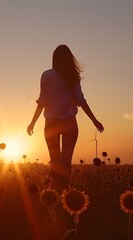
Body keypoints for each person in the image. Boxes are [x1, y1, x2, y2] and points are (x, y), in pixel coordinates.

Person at [27, 45, 104, 191]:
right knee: (66, 162)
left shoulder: (47, 75)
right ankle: (65, 192)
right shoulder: (72, 76)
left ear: (54, 59)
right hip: (70, 124)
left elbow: (42, 102)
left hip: (51, 124)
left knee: (55, 161)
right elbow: (81, 101)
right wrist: (94, 120)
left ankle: (56, 192)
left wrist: (32, 123)